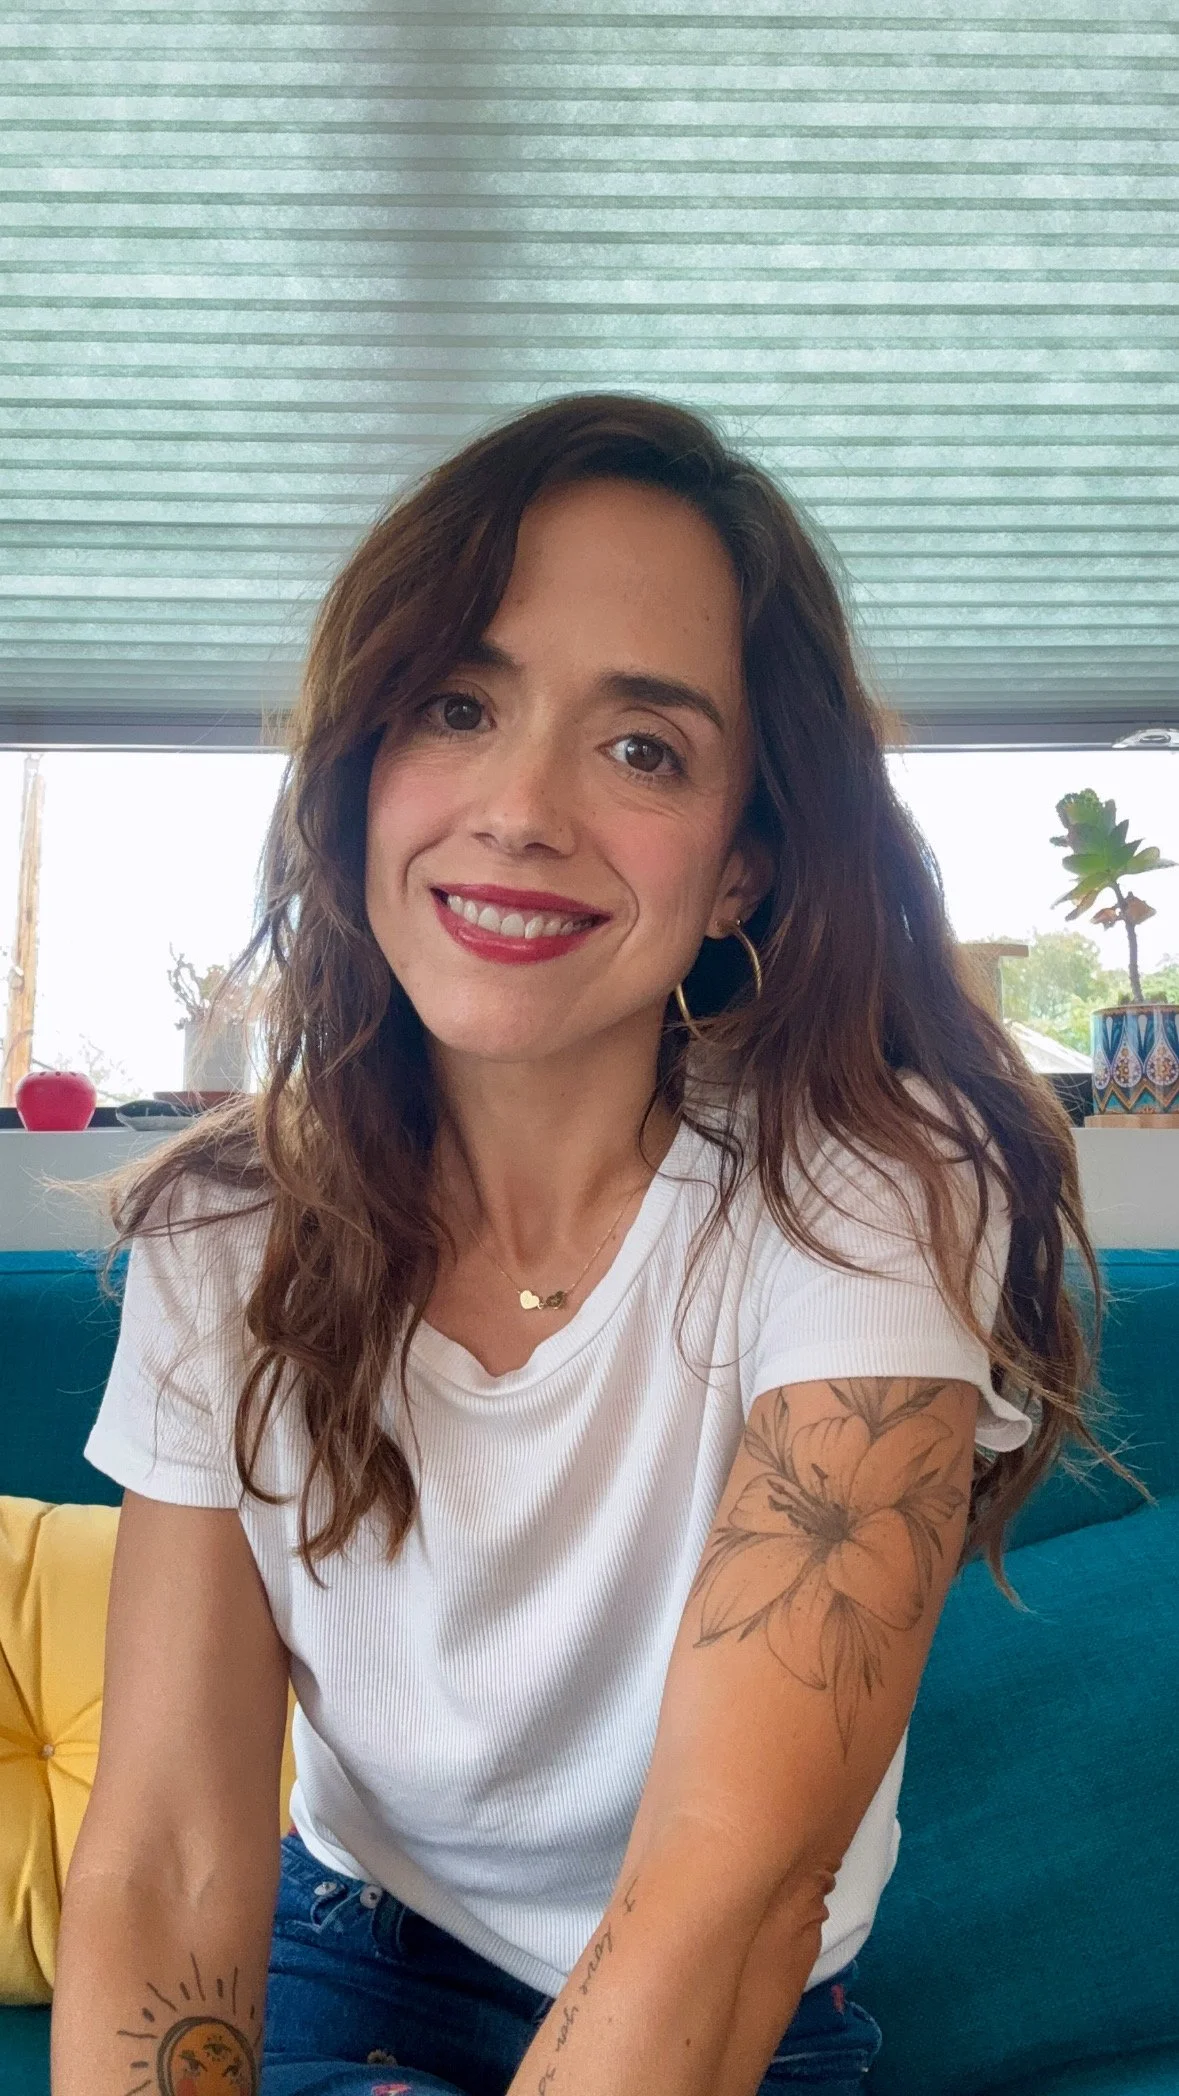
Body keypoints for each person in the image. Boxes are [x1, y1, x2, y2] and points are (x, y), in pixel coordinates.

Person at [51, 395, 1139, 2096]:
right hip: (354, 1956)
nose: (521, 808)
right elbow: (174, 1855)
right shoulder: (225, 1232)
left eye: (643, 749)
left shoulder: (866, 1192)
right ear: (355, 775)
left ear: (740, 868)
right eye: (456, 707)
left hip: (722, 2014)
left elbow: (731, 1891)